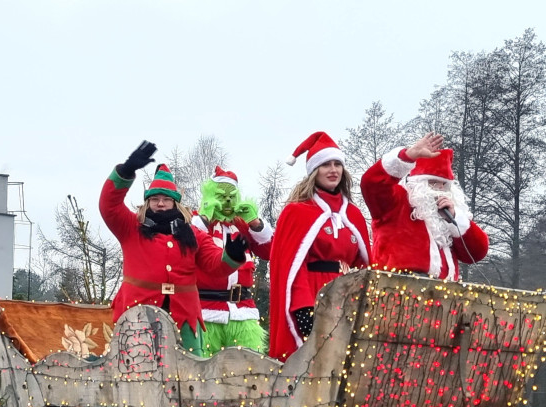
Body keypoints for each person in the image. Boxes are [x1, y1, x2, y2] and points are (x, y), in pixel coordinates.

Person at [99, 141, 247, 356]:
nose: (161, 204)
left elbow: (214, 264)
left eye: (167, 199)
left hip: (184, 316)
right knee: (134, 372)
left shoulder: (193, 234)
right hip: (137, 312)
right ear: (147, 203)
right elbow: (108, 205)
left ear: (175, 204)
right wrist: (126, 171)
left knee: (187, 376)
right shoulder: (131, 228)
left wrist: (231, 256)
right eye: (155, 199)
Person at [268, 131, 370, 362]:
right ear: (314, 171)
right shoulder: (297, 211)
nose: (333, 170)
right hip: (314, 295)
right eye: (325, 165)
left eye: (337, 164)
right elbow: (291, 266)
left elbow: (364, 264)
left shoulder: (353, 214)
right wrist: (303, 306)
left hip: (346, 297)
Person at [360, 132, 489, 281]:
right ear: (418, 184)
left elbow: (476, 253)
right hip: (397, 291)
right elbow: (372, 183)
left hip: (444, 296)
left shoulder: (449, 217)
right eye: (433, 183)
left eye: (444, 185)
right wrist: (407, 156)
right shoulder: (397, 201)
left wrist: (455, 218)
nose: (439, 190)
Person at [191, 166, 272, 356]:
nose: (227, 201)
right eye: (221, 196)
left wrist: (256, 224)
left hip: (243, 311)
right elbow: (186, 246)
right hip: (207, 312)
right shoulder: (199, 224)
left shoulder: (242, 226)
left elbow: (270, 251)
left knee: (249, 370)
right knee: (204, 373)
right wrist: (204, 218)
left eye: (231, 196)